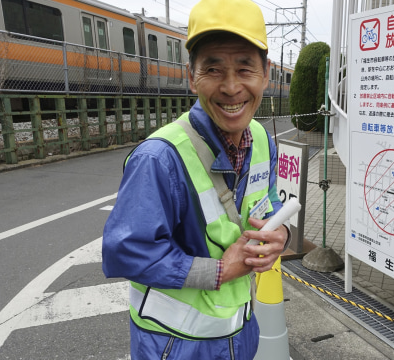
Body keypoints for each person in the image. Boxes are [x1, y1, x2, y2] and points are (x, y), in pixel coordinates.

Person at [102, 0, 290, 358]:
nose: (232, 87)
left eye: (245, 68)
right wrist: (218, 270)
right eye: (214, 69)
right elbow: (123, 251)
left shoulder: (263, 140)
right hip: (173, 345)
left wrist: (281, 232)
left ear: (266, 74)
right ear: (192, 77)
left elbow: (268, 203)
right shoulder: (159, 158)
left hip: (241, 333)